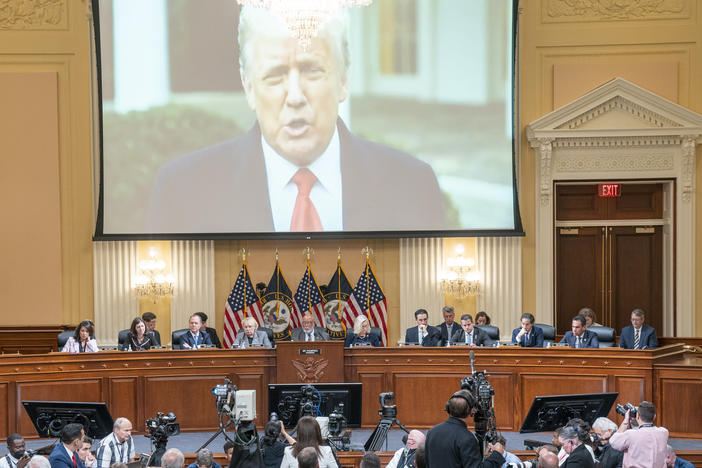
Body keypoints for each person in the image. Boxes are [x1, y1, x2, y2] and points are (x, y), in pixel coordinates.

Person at [146, 5, 446, 234]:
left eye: (311, 70)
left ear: (343, 80)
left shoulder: (412, 185)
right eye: (275, 75)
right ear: (249, 88)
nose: (295, 96)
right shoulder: (182, 190)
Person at [425, 390, 505, 468]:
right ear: (472, 411)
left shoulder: (432, 432)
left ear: (448, 407)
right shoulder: (467, 438)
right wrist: (497, 454)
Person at [609, 401, 668, 468]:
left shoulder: (631, 434)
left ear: (637, 416)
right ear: (654, 417)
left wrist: (626, 420)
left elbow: (613, 441)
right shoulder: (664, 432)